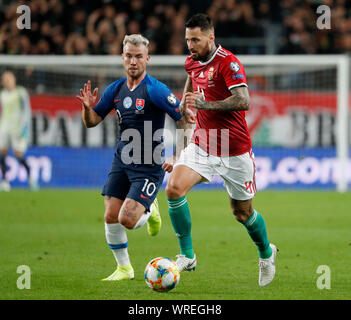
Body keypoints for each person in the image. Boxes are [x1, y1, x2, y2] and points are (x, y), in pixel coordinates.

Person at [162, 14, 278, 287]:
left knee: (242, 213)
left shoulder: (229, 62)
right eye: (188, 39)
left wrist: (205, 105)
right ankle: (187, 255)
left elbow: (243, 100)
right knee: (173, 188)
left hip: (234, 149)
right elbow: (191, 78)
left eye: (196, 39)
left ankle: (266, 252)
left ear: (211, 37)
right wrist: (184, 102)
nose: (190, 44)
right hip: (202, 144)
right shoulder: (191, 61)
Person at [77, 34, 195, 281]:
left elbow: (184, 120)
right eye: (129, 56)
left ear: (147, 59)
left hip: (149, 165)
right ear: (122, 58)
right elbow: (91, 123)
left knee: (127, 220)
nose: (133, 61)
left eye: (138, 56)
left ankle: (151, 207)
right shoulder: (116, 89)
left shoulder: (156, 89)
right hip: (122, 160)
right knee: (110, 215)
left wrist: (176, 155)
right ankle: (124, 269)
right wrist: (87, 109)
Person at [0, 70, 37, 191]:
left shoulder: (20, 92)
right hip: (5, 127)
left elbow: (26, 110)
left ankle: (31, 177)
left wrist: (25, 127)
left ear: (14, 79)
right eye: (4, 79)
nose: (6, 81)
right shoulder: (2, 94)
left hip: (18, 128)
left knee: (18, 155)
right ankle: (5, 181)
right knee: (2, 153)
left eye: (8, 78)